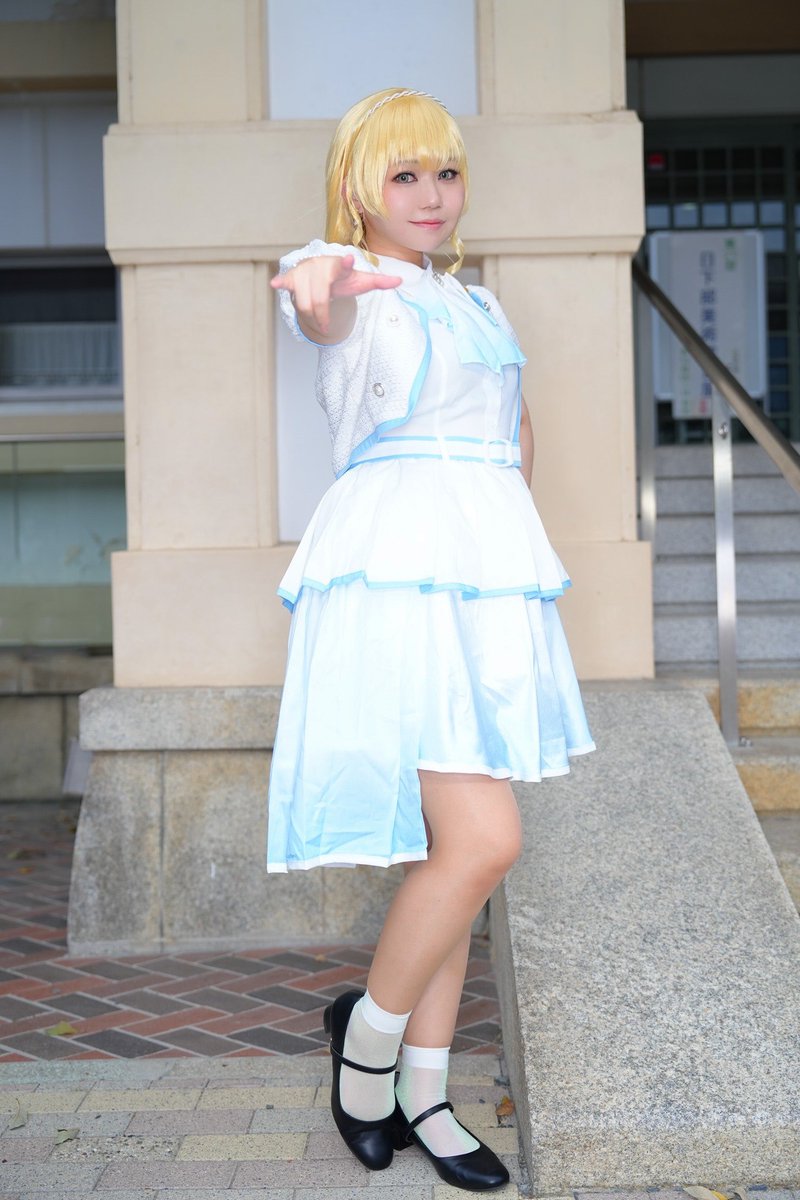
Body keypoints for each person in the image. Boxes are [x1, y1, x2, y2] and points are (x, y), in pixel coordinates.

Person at [266, 86, 595, 1192]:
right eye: (402, 174)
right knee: (484, 840)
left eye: (444, 171)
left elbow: (514, 434)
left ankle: (427, 1089)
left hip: (478, 584)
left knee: (448, 856)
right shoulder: (346, 278)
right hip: (393, 583)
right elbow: (322, 315)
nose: (429, 194)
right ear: (357, 187)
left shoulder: (476, 300)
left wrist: (506, 566)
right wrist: (319, 293)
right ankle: (365, 1045)